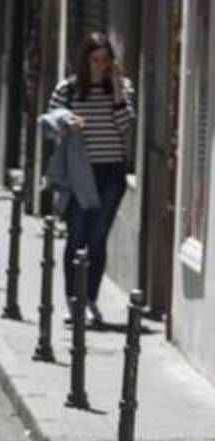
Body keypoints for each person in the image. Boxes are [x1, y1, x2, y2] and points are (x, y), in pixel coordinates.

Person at [46, 32, 136, 327]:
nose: (100, 66)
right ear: (84, 61)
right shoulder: (68, 90)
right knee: (77, 237)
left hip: (111, 174)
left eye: (106, 60)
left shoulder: (122, 88)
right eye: (95, 60)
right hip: (78, 174)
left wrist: (118, 92)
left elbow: (125, 126)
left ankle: (90, 301)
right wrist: (65, 122)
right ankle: (73, 300)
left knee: (97, 240)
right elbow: (48, 124)